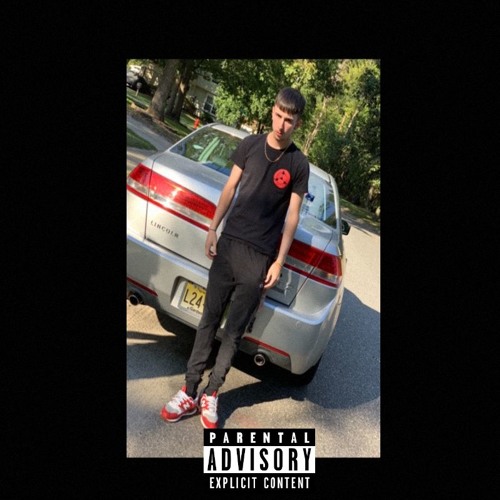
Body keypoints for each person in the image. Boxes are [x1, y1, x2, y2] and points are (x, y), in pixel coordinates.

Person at [161, 87, 310, 429]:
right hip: (228, 246)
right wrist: (213, 228)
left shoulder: (298, 164)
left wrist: (279, 261)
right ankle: (189, 391)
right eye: (278, 115)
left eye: (289, 120)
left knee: (234, 332)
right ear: (272, 110)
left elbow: (292, 216)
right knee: (208, 319)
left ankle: (212, 393)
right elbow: (230, 188)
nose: (281, 125)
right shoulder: (250, 145)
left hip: (259, 258)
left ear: (298, 123)